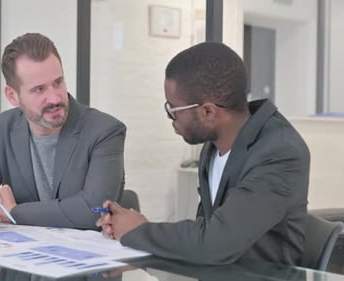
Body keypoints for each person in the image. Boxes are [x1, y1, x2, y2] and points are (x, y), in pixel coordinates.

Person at [97, 42, 310, 266]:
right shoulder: (214, 145)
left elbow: (216, 243)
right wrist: (136, 227)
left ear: (208, 111)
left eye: (173, 110)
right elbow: (204, 232)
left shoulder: (280, 153)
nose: (171, 118)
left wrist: (139, 231)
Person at [0, 33, 126, 230]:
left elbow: (94, 210)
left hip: (91, 257)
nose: (54, 98)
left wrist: (14, 212)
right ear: (12, 96)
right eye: (39, 89)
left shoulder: (104, 131)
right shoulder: (5, 127)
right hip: (24, 255)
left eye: (58, 83)